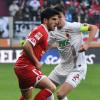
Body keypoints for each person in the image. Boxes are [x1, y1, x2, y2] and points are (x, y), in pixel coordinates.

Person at [34, 5, 98, 100]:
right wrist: (36, 56)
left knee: (60, 95)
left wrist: (87, 44)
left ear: (65, 16)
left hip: (77, 68)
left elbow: (93, 28)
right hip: (63, 66)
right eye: (55, 18)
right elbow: (47, 46)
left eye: (60, 17)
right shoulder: (53, 31)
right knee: (46, 89)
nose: (58, 20)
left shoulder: (74, 26)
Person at [14, 7, 59, 100]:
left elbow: (34, 46)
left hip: (21, 67)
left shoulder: (45, 33)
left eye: (57, 20)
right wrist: (37, 62)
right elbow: (26, 45)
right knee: (51, 87)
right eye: (54, 19)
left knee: (26, 97)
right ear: (45, 20)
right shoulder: (41, 31)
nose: (56, 22)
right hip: (26, 67)